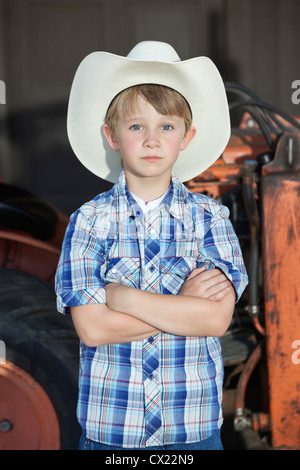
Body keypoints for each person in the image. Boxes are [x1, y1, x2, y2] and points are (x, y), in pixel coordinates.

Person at [55, 41, 248, 450]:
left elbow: (215, 321)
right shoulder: (89, 222)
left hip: (191, 431)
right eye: (136, 126)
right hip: (112, 432)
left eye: (166, 126)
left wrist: (119, 295)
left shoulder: (210, 219)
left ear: (187, 136)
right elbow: (92, 329)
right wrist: (183, 305)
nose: (151, 140)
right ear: (111, 135)